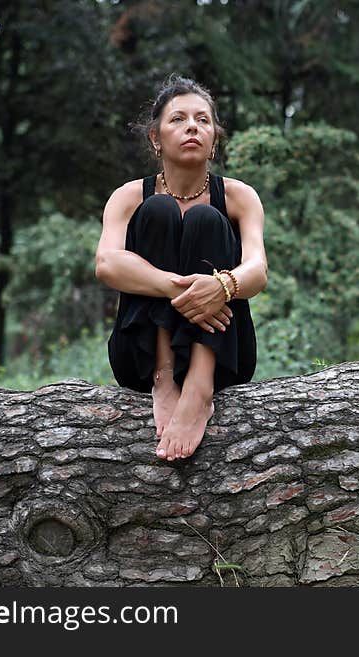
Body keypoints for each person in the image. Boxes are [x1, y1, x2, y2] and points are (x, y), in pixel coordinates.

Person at [95, 74, 267, 462]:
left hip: (226, 358)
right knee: (158, 211)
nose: (192, 126)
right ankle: (166, 376)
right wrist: (183, 289)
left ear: (214, 139)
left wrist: (222, 286)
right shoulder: (129, 197)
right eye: (178, 119)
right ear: (155, 138)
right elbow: (107, 264)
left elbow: (257, 270)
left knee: (207, 219)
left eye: (203, 120)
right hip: (138, 355)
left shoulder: (240, 196)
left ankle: (198, 387)